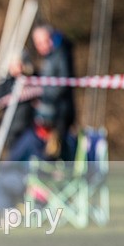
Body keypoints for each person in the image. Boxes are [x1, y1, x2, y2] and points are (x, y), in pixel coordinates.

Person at [31, 24, 76, 161]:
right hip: (50, 112)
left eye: (43, 42)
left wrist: (43, 98)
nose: (41, 46)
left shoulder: (61, 54)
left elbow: (63, 83)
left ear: (50, 38)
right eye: (38, 43)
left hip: (60, 112)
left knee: (56, 152)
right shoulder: (50, 57)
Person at [0, 50, 36, 149]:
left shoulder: (33, 79)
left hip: (29, 125)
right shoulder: (6, 82)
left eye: (17, 64)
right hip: (11, 125)